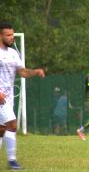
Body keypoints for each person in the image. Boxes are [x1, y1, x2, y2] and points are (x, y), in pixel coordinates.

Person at [0, 23, 45, 170]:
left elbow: (23, 72)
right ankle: (12, 161)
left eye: (13, 34)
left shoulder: (13, 53)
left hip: (9, 97)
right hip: (0, 97)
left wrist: (35, 72)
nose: (12, 37)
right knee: (12, 125)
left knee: (2, 129)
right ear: (0, 36)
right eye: (8, 35)